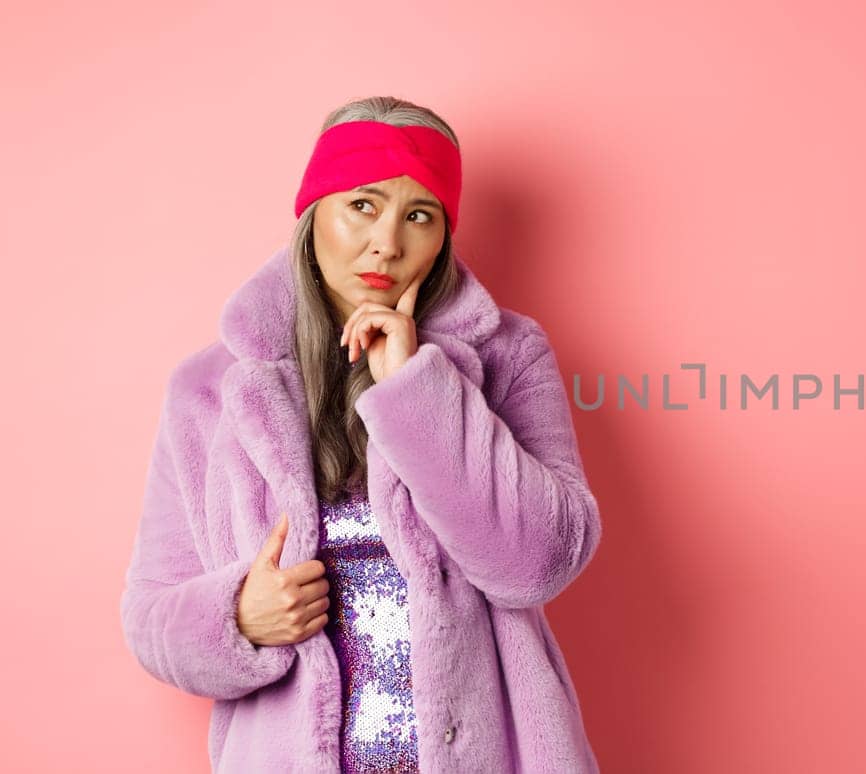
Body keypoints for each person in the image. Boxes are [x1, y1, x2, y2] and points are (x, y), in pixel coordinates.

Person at [119, 95, 603, 772]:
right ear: (315, 212)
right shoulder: (209, 388)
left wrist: (416, 388)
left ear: (442, 237)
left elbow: (540, 561)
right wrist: (238, 617)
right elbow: (149, 616)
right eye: (364, 206)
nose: (388, 243)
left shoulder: (509, 355)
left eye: (420, 216)